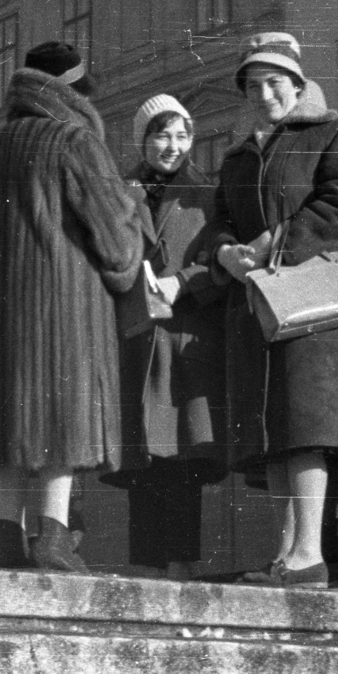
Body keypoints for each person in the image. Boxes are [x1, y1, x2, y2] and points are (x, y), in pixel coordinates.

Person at [209, 32, 338, 589]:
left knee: (307, 427)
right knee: (274, 431)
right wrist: (225, 251)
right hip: (259, 306)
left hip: (314, 304)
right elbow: (220, 219)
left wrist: (276, 242)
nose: (265, 94)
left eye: (275, 83)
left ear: (296, 82)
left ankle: (308, 553)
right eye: (254, 86)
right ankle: (287, 551)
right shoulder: (240, 157)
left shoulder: (331, 133)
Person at [0, 41, 145, 573]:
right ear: (73, 92)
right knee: (61, 414)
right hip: (64, 303)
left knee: (11, 414)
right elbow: (115, 240)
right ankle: (53, 535)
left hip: (4, 308)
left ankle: (7, 536)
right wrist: (133, 225)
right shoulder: (74, 141)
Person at [103, 94, 227, 581]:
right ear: (144, 141)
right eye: (161, 135)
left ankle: (180, 562)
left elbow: (221, 257)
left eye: (181, 136)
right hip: (137, 336)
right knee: (143, 456)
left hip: (185, 336)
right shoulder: (119, 194)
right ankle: (148, 565)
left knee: (182, 453)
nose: (172, 147)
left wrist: (187, 280)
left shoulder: (206, 193)